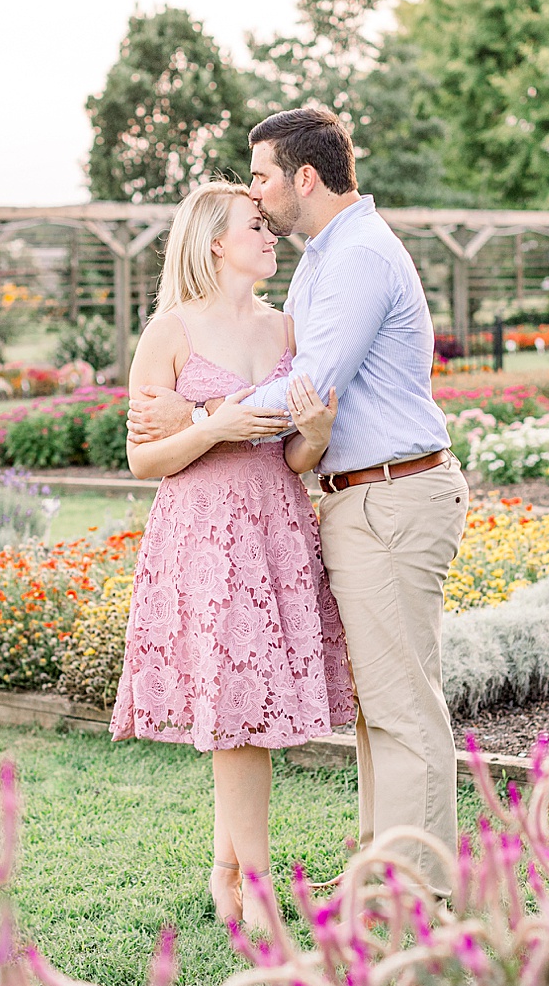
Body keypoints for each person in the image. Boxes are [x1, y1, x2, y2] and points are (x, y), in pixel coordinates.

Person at [128, 108, 468, 894]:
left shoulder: (353, 261)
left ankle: (414, 899)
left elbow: (306, 390)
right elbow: (301, 426)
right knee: (380, 713)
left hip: (391, 494)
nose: (258, 193)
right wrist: (210, 421)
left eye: (261, 178)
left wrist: (204, 415)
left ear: (303, 179)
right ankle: (388, 883)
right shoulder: (325, 258)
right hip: (358, 498)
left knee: (402, 713)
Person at [111, 179, 355, 925]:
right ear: (215, 240)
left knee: (247, 712)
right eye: (256, 224)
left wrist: (312, 432)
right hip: (203, 540)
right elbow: (144, 463)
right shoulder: (170, 332)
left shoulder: (284, 331)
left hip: (276, 529)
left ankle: (226, 870)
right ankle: (259, 889)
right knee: (241, 716)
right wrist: (215, 425)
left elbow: (296, 457)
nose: (270, 233)